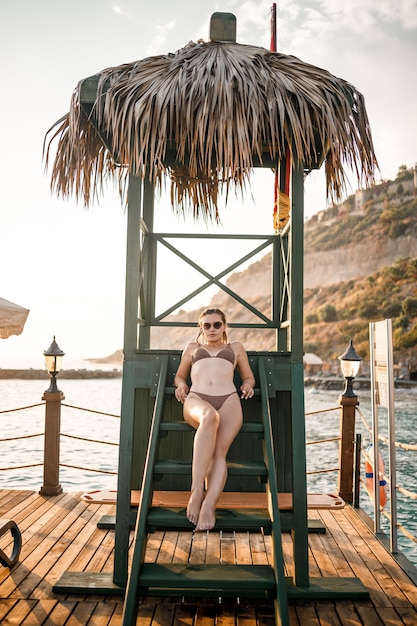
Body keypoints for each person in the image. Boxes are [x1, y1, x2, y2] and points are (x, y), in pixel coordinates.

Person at [174, 307, 255, 532]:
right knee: (210, 416)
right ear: (201, 328)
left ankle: (209, 505)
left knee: (219, 452)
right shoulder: (192, 348)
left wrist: (248, 384)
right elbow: (180, 375)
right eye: (206, 325)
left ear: (224, 326)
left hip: (229, 399)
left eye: (216, 325)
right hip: (197, 399)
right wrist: (181, 385)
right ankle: (197, 490)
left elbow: (248, 376)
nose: (212, 329)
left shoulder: (236, 348)